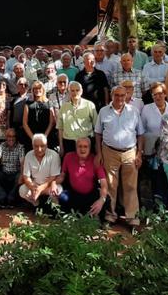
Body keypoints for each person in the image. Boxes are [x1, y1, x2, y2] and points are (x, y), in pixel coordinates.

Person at [95, 85, 145, 227]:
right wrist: (99, 153)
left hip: (130, 152)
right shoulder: (104, 111)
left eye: (122, 95)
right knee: (111, 185)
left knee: (130, 186)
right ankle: (110, 216)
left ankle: (132, 218)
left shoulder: (134, 111)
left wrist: (139, 154)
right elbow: (98, 133)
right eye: (116, 95)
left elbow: (140, 134)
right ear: (112, 96)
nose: (120, 98)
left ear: (127, 96)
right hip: (109, 151)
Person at [57, 137, 109, 218]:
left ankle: (97, 220)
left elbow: (104, 184)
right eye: (80, 146)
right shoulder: (68, 157)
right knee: (62, 197)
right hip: (74, 194)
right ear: (76, 147)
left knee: (106, 199)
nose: (82, 149)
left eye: (85, 147)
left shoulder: (95, 160)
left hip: (90, 195)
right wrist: (53, 183)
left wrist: (101, 200)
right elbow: (62, 175)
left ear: (89, 148)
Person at [19, 133, 63, 212]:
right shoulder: (28, 155)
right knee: (22, 190)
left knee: (57, 190)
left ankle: (55, 211)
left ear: (46, 145)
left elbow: (53, 177)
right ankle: (37, 205)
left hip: (49, 185)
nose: (39, 149)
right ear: (32, 146)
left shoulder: (54, 155)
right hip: (35, 184)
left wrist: (40, 189)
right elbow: (26, 176)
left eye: (42, 146)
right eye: (36, 146)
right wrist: (32, 187)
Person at [56, 81, 97, 156]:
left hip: (86, 142)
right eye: (72, 90)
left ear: (81, 91)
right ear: (69, 92)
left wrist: (96, 145)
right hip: (69, 143)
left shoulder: (90, 105)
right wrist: (61, 146)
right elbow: (60, 128)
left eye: (77, 90)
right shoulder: (64, 107)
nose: (75, 93)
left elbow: (96, 127)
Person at [0, 128, 25, 208]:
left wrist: (22, 175)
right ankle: (2, 198)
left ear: (16, 137)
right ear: (6, 137)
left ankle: (10, 200)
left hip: (15, 173)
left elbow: (22, 163)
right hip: (4, 173)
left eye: (13, 136)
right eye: (9, 136)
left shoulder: (20, 147)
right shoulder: (2, 146)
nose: (11, 138)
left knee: (21, 175)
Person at [23, 80, 56, 150]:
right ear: (33, 90)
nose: (37, 90)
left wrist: (45, 136)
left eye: (39, 88)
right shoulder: (28, 103)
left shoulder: (49, 103)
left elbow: (51, 122)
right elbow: (25, 123)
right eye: (35, 88)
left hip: (46, 135)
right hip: (31, 135)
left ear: (43, 90)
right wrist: (33, 138)